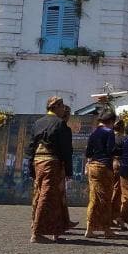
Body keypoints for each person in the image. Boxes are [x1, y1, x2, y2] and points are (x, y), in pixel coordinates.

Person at [26, 96, 73, 243]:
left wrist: (30, 167)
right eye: (62, 106)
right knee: (47, 196)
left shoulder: (38, 123)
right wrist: (69, 170)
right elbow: (66, 150)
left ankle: (56, 229)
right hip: (51, 163)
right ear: (56, 107)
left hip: (37, 163)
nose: (63, 109)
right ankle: (37, 232)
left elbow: (31, 147)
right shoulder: (60, 124)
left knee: (44, 194)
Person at [84, 109, 117, 238]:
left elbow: (88, 153)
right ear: (111, 121)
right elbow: (110, 150)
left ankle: (89, 228)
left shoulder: (93, 133)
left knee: (94, 198)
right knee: (105, 199)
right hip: (104, 167)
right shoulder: (109, 132)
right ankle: (106, 229)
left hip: (93, 167)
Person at [110, 117, 126, 227]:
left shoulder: (109, 137)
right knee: (117, 191)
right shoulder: (123, 139)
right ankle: (114, 215)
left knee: (110, 189)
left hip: (109, 163)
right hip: (119, 163)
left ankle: (112, 215)